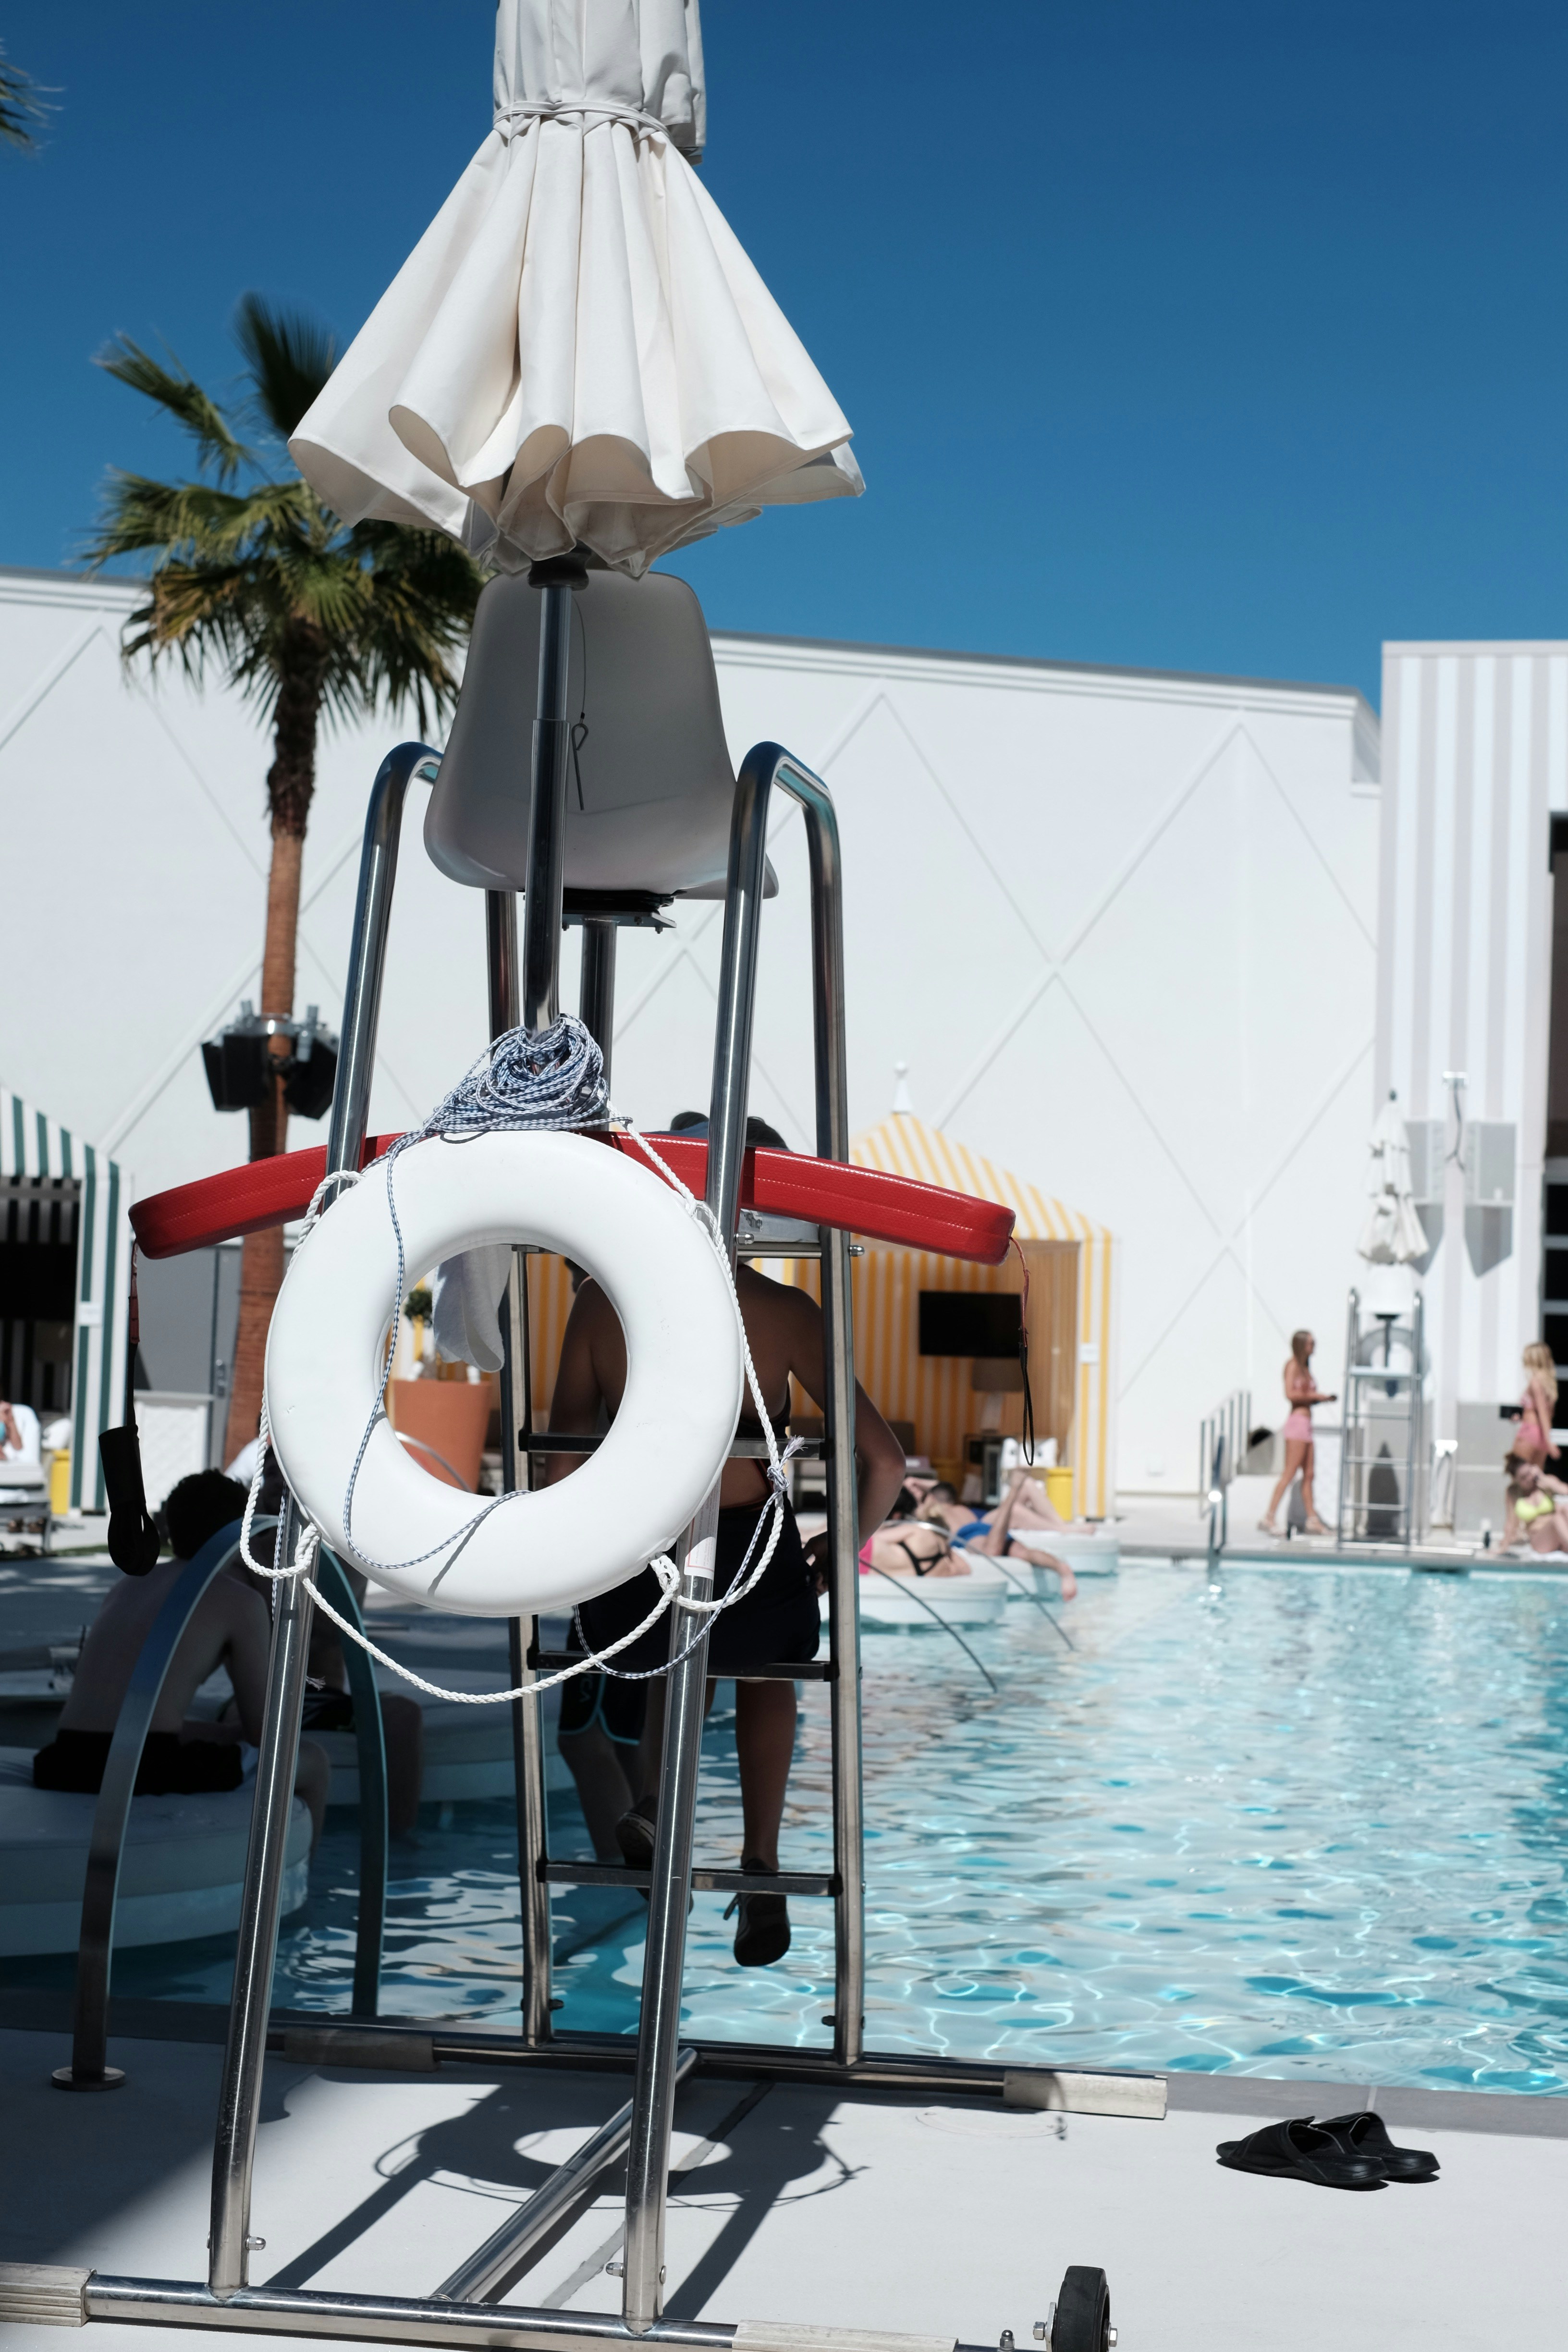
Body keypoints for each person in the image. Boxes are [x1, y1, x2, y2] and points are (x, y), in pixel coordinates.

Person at [551, 1121, 907, 1968]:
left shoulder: (600, 1306)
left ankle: (649, 1800)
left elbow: (558, 1460)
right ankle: (758, 1860)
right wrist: (843, 1543)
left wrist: (587, 1549)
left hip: (640, 1558)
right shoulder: (785, 1313)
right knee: (760, 1671)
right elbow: (883, 1460)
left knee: (672, 1647)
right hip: (753, 1561)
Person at [31, 1470, 331, 1846]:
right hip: (144, 1769)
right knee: (313, 1762)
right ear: (241, 1532)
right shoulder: (237, 1599)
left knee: (220, 1736)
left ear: (169, 1529)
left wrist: (222, 1733)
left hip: (64, 1760)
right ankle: (304, 1888)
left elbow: (126, 1719)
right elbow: (262, 1731)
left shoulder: (129, 1585)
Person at [905, 1470, 1078, 1597]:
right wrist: (918, 1482)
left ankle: (1013, 1493)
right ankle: (1061, 1568)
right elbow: (941, 1488)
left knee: (990, 1552)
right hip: (983, 1525)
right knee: (1023, 1552)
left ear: (931, 1498)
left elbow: (934, 1493)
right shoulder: (959, 1507)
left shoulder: (930, 1509)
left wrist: (911, 1485)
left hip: (968, 1534)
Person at [1259, 1331, 1336, 1536]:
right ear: (1302, 1345)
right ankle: (1269, 1516)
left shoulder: (1306, 1368)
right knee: (1290, 1472)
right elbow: (1290, 1395)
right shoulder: (1292, 1365)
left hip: (1307, 1423)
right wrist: (1315, 1396)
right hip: (1297, 1424)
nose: (1314, 1346)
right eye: (1311, 1343)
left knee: (1310, 1474)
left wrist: (1321, 1399)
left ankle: (1312, 1519)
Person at [1502, 1457, 1568, 1557]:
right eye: (1523, 1478)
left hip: (1560, 1535)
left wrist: (1542, 1477)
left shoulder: (1545, 1483)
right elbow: (1511, 1523)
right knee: (1556, 1519)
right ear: (1515, 1480)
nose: (1529, 1479)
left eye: (1529, 1473)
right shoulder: (1513, 1493)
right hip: (1539, 1539)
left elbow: (1565, 1491)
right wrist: (1504, 1546)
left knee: (1565, 1509)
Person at [1513, 1343, 1560, 1472]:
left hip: (1529, 1432)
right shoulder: (1548, 1383)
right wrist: (1548, 1439)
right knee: (1535, 1478)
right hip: (1541, 1436)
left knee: (1518, 1475)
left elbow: (1542, 1413)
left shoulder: (1535, 1382)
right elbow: (1547, 1414)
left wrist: (1550, 1441)